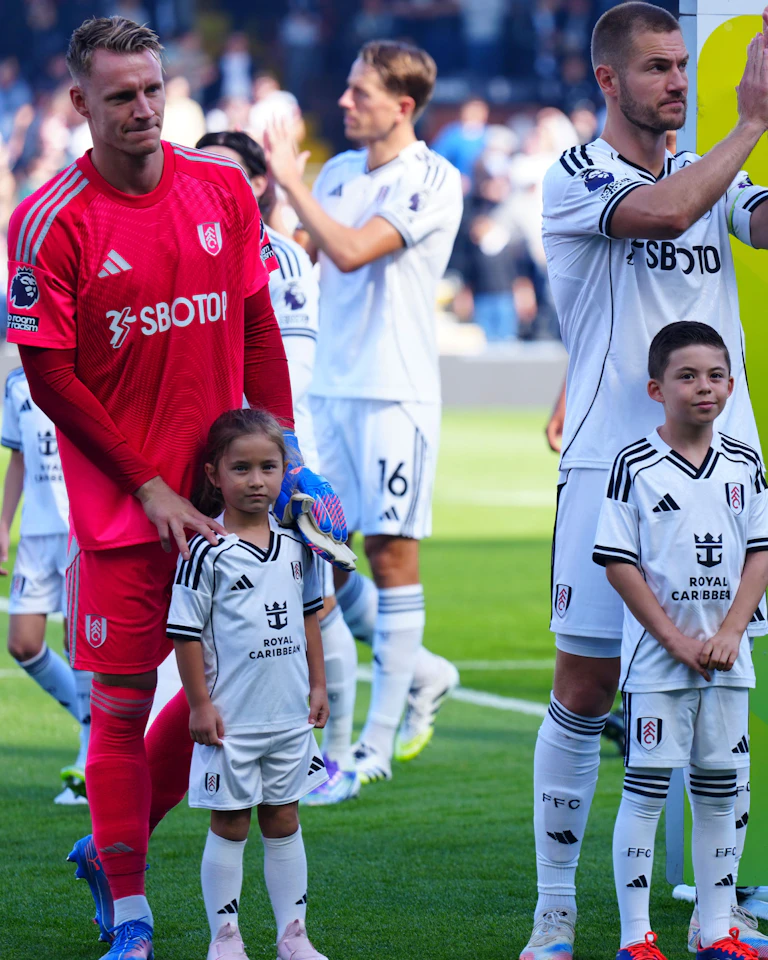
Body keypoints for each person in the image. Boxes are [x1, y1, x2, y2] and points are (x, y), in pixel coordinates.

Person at [5, 17, 343, 959]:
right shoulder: (48, 221)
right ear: (81, 103)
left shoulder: (221, 189)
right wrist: (151, 487)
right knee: (115, 706)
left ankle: (109, 854)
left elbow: (256, 323)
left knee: (226, 697)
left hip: (232, 510)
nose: (144, 109)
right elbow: (52, 378)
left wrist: (284, 461)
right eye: (121, 95)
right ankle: (132, 911)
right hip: (124, 514)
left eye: (154, 89)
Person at [522, 4, 768, 958]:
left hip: (719, 478)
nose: (677, 81)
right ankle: (555, 915)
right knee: (584, 687)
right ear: (608, 81)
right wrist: (748, 120)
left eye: (682, 66)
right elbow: (663, 214)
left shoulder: (718, 172)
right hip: (606, 465)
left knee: (720, 686)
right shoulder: (580, 173)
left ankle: (715, 920)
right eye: (658, 68)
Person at [266, 39, 463, 785]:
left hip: (394, 389)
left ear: (402, 106)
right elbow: (313, 260)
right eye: (346, 88)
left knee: (389, 553)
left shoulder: (432, 178)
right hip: (331, 389)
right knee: (321, 546)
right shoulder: (342, 172)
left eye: (360, 93)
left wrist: (289, 181)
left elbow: (351, 251)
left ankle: (371, 750)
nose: (345, 103)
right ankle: (425, 673)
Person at [196, 129, 361, 806]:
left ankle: (337, 757)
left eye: (225, 173)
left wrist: (283, 461)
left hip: (273, 455)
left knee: (314, 606)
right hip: (225, 453)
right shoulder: (199, 245)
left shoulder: (279, 258)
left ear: (259, 183)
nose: (207, 184)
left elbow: (284, 365)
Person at [594, 322, 768, 960]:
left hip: (729, 659)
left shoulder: (746, 461)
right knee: (647, 790)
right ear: (655, 387)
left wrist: (728, 632)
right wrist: (672, 638)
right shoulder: (633, 465)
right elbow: (618, 562)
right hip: (659, 663)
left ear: (730, 384)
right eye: (688, 376)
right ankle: (635, 937)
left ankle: (719, 929)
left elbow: (761, 553)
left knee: (724, 790)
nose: (705, 388)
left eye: (716, 376)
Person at [168, 408, 330, 960]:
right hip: (231, 720)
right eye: (241, 468)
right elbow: (186, 634)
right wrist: (199, 705)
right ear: (214, 474)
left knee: (285, 817)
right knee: (232, 822)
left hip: (287, 715)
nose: (256, 480)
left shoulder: (296, 547)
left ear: (286, 471)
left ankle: (294, 936)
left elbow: (310, 618)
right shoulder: (204, 551)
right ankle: (226, 938)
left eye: (268, 467)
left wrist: (319, 686)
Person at [1, 365, 91, 805]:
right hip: (37, 533)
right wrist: (3, 524)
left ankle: (89, 759)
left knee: (80, 642)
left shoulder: (89, 371)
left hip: (83, 526)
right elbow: (18, 458)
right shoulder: (16, 384)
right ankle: (104, 729)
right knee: (22, 643)